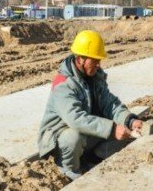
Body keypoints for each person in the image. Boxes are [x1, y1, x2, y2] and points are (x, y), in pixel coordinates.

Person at [37, 30, 143, 180]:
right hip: (60, 136)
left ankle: (92, 158)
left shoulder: (95, 77)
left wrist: (129, 121)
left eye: (99, 61)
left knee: (123, 131)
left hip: (87, 130)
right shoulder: (64, 84)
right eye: (94, 61)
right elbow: (76, 119)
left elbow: (110, 104)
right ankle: (69, 169)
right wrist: (112, 129)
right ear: (80, 59)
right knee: (75, 137)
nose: (98, 65)